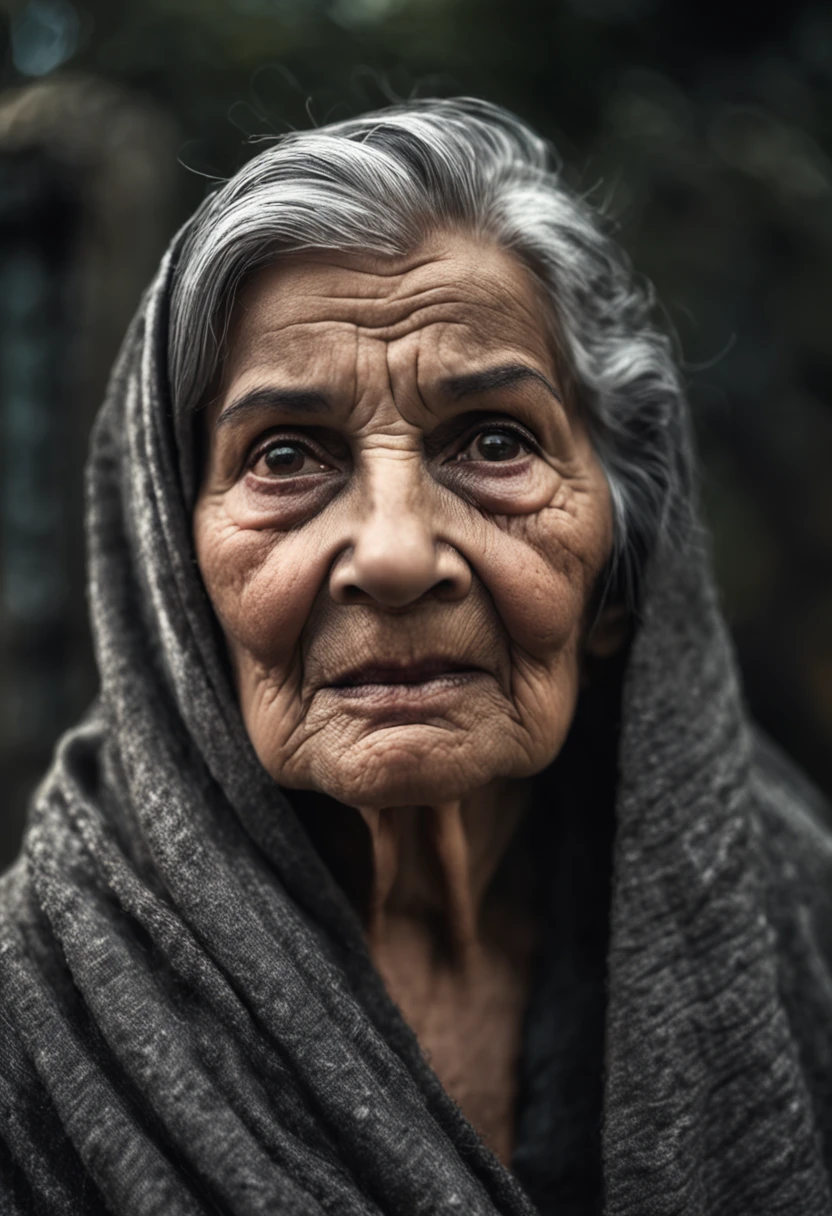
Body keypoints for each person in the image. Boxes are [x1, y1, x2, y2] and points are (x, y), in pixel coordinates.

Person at [1, 97, 831, 1216]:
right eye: (286, 456)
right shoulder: (33, 1022)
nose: (393, 555)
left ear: (621, 575)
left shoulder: (800, 923)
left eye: (495, 441)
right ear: (173, 587)